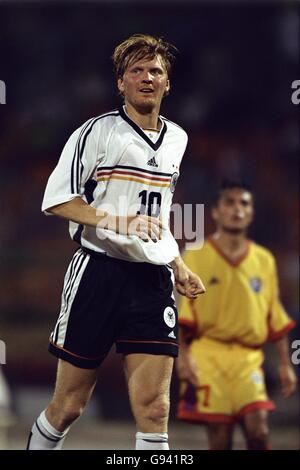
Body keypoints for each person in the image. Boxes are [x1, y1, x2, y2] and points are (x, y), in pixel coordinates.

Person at [26, 34, 205, 451]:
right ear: (121, 83)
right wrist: (116, 220)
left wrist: (177, 264)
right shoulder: (96, 132)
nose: (147, 78)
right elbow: (57, 201)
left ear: (168, 83)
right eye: (136, 71)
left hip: (153, 280)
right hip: (99, 271)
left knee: (156, 410)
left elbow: (157, 215)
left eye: (155, 71)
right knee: (69, 405)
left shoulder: (178, 138)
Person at [176, 179, 297, 450]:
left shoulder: (264, 259)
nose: (237, 209)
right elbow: (183, 312)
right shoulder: (195, 256)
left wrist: (285, 363)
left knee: (259, 430)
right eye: (229, 203)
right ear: (216, 212)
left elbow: (273, 313)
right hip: (208, 355)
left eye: (244, 203)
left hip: (248, 358)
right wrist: (183, 357)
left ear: (251, 212)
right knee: (220, 437)